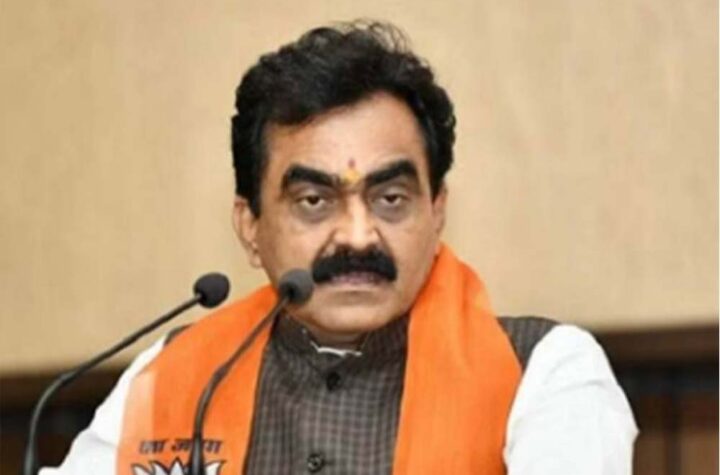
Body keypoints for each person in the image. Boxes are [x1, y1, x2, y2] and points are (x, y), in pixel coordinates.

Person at [42, 20, 637, 475]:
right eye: (314, 201)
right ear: (250, 226)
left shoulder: (544, 370)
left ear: (437, 212)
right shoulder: (175, 373)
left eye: (391, 199)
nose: (357, 236)